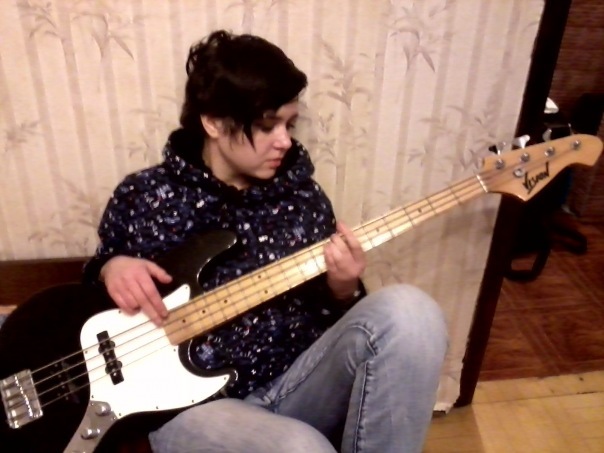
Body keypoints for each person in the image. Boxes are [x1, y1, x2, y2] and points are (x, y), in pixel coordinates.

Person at [84, 30, 448, 453]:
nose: (285, 141)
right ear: (213, 122)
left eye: (289, 124)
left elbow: (343, 326)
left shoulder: (303, 198)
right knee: (301, 449)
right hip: (192, 409)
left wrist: (343, 288)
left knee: (412, 312)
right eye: (266, 125)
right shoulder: (144, 195)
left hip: (297, 384)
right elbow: (90, 308)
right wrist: (112, 267)